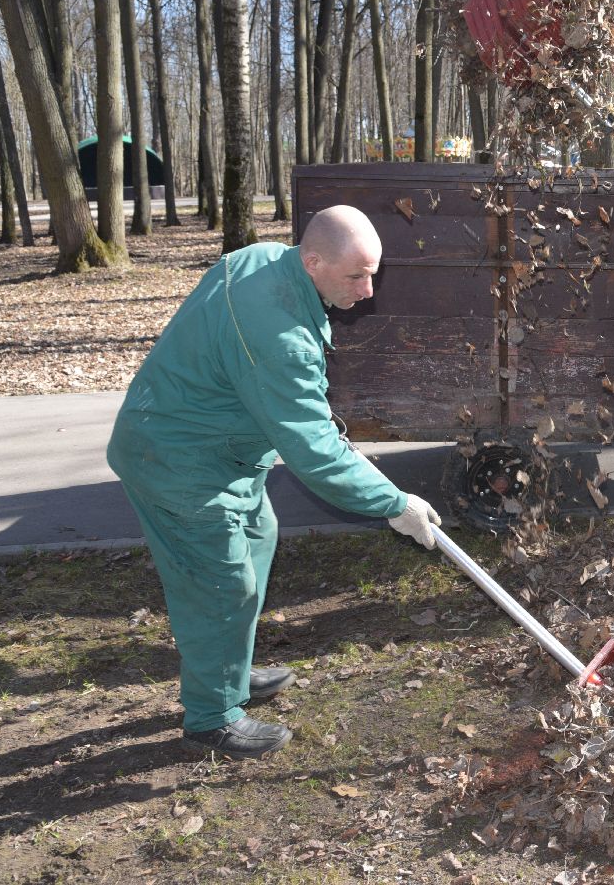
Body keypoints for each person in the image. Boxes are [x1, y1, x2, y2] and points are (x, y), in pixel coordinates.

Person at [107, 205, 442, 759]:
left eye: (373, 273)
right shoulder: (282, 339)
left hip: (214, 452)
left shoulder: (262, 259)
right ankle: (211, 717)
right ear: (311, 261)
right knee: (221, 582)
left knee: (259, 539)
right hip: (178, 461)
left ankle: (229, 672)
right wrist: (393, 503)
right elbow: (312, 451)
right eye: (355, 276)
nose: (368, 291)